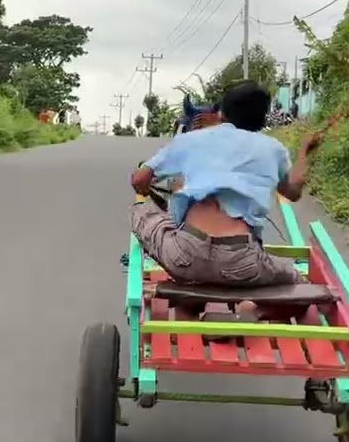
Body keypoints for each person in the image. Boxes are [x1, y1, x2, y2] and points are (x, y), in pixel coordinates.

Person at [128, 81, 323, 318]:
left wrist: (148, 193)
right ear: (263, 119)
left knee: (139, 212)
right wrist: (304, 152)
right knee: (298, 285)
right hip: (243, 262)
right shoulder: (274, 149)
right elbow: (293, 192)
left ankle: (189, 292)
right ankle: (255, 311)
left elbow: (140, 179)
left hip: (186, 256)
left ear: (221, 113)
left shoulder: (192, 140)